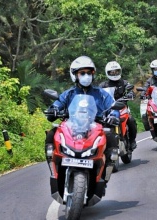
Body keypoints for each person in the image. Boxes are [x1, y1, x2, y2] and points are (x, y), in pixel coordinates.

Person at [44, 55, 118, 183]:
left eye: (89, 73)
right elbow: (57, 103)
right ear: (75, 75)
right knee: (51, 134)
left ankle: (105, 174)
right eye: (82, 73)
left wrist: (113, 115)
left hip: (95, 128)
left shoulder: (101, 93)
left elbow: (113, 107)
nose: (86, 76)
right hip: (72, 128)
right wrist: (53, 110)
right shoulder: (69, 93)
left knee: (112, 138)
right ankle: (53, 167)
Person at [99, 61, 138, 150]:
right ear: (107, 73)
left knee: (131, 120)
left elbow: (131, 91)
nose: (114, 73)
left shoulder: (124, 83)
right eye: (112, 72)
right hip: (109, 109)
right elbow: (97, 95)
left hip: (122, 107)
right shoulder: (103, 85)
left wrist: (130, 94)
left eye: (116, 71)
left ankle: (132, 140)